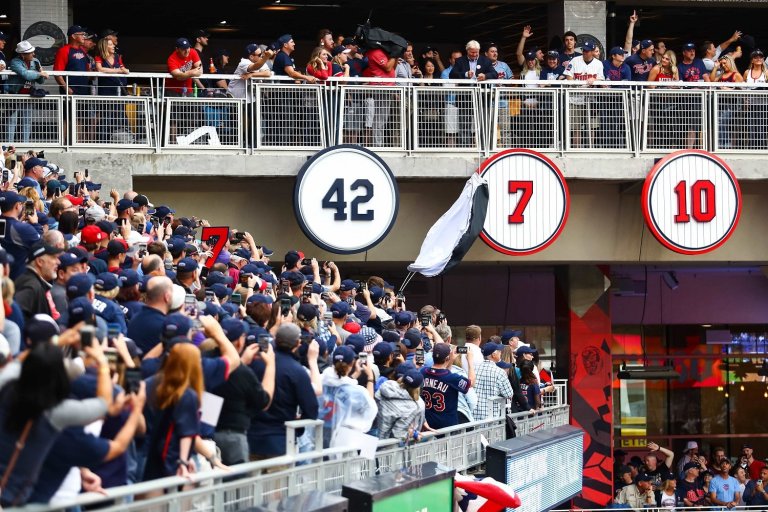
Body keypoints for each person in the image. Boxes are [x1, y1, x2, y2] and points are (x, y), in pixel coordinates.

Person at [0, 341, 112, 507]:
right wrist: (103, 363)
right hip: (11, 498)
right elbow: (103, 404)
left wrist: (56, 341)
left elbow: (18, 362)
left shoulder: (5, 387)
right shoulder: (56, 412)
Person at [248, 323, 319, 459]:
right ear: (298, 343)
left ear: (274, 340)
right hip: (280, 441)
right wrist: (297, 426)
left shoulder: (255, 362)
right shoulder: (297, 371)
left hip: (251, 438)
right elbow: (311, 410)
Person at [142, 343, 202, 480]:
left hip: (153, 456)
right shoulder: (188, 395)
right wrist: (183, 461)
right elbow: (186, 432)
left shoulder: (157, 387)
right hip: (172, 463)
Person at [319, 345, 377, 447]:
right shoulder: (357, 391)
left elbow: (340, 382)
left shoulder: (318, 381)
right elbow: (370, 406)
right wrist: (370, 378)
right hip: (343, 443)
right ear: (352, 363)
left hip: (318, 439)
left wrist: (355, 375)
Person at [450, 40, 497, 146]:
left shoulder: (485, 60)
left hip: (482, 97)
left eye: (476, 52)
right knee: (464, 124)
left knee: (483, 123)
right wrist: (465, 74)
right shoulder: (460, 61)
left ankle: (484, 146)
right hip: (465, 97)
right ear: (467, 51)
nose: (474, 54)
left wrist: (485, 76)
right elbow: (452, 75)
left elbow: (495, 74)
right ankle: (464, 148)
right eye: (472, 52)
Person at [563, 41, 604, 148]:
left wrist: (594, 79)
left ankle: (591, 149)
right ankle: (576, 149)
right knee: (576, 128)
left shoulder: (598, 63)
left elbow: (601, 79)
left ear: (592, 52)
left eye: (587, 51)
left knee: (591, 127)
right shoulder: (575, 60)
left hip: (591, 100)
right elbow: (568, 76)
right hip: (575, 99)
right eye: (583, 50)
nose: (585, 52)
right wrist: (577, 85)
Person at [420, 343, 471, 428]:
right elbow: (471, 383)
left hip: (428, 424)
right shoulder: (452, 378)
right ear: (447, 357)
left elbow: (442, 373)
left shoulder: (423, 371)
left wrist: (450, 360)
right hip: (447, 427)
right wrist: (470, 360)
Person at [6, 41, 48, 143]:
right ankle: (9, 145)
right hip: (14, 94)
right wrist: (40, 74)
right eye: (30, 52)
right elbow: (26, 74)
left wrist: (41, 74)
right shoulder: (15, 62)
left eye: (33, 52)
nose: (33, 54)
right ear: (22, 55)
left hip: (29, 94)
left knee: (27, 120)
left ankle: (25, 144)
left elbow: (41, 81)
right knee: (12, 120)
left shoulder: (36, 61)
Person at [13, 241, 63, 321]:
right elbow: (15, 315)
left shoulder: (33, 281)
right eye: (54, 257)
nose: (58, 262)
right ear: (40, 262)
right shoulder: (31, 285)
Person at [375, 368, 425, 439]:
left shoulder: (386, 385)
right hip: (386, 444)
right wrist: (414, 434)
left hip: (371, 434)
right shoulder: (413, 407)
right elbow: (398, 434)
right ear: (418, 387)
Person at [472, 342, 514, 421]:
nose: (501, 353)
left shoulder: (473, 369)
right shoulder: (499, 372)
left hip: (474, 416)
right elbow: (509, 394)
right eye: (499, 351)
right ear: (493, 355)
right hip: (492, 417)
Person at [711, 54, 743, 149]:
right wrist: (716, 68)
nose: (723, 66)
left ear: (730, 62)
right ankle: (721, 145)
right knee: (719, 123)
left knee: (723, 123)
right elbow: (712, 81)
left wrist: (728, 89)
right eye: (722, 64)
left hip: (731, 104)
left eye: (725, 63)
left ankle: (725, 145)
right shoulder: (721, 74)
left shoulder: (736, 75)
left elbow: (741, 89)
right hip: (720, 104)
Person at [742, 49, 768, 149]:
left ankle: (761, 149)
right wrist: (745, 101)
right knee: (751, 128)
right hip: (750, 104)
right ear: (752, 60)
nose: (758, 59)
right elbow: (742, 87)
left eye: (760, 57)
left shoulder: (766, 72)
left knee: (761, 128)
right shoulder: (747, 72)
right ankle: (752, 148)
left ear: (763, 59)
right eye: (755, 57)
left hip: (763, 104)